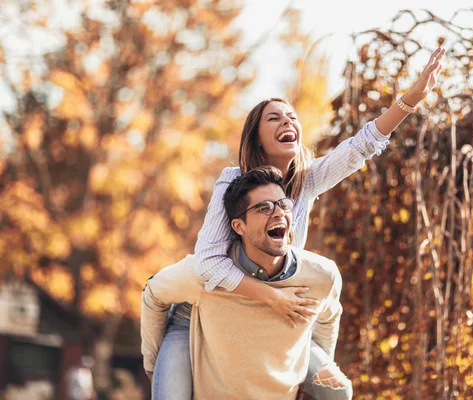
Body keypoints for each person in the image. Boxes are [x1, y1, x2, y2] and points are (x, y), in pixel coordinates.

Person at [146, 46, 446, 399]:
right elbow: (209, 262)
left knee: (337, 391)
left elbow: (362, 145)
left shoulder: (309, 180)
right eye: (274, 118)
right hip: (206, 315)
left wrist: (409, 100)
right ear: (256, 136)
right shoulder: (232, 182)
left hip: (275, 321)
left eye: (291, 117)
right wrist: (272, 297)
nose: (288, 121)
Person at [141, 166, 351, 399]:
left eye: (283, 204)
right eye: (264, 208)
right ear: (239, 226)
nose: (279, 213)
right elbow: (152, 293)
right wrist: (153, 366)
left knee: (339, 390)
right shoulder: (207, 275)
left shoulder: (322, 274)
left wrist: (313, 375)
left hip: (279, 391)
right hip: (213, 390)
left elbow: (328, 318)